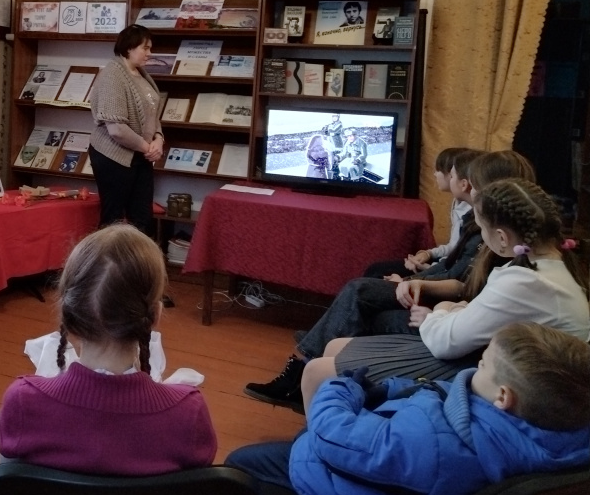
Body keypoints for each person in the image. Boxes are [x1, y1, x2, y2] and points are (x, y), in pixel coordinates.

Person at [243, 149, 531, 413]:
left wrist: (423, 294)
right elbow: (455, 273)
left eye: (475, 185)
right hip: (441, 312)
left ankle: (308, 371)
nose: (471, 190)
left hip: (441, 322)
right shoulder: (486, 232)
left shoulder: (504, 253)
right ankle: (313, 371)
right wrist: (415, 280)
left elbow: (461, 291)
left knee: (360, 293)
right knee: (366, 290)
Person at [226, 321, 590, 495]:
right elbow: (441, 395)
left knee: (239, 468)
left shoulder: (434, 444)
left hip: (347, 487)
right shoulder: (564, 431)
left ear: (504, 396)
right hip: (407, 477)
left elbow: (333, 436)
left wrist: (340, 390)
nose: (475, 369)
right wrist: (389, 389)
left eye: (483, 365)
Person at [301, 178, 590, 408]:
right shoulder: (550, 266)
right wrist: (451, 311)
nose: (482, 237)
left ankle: (320, 452)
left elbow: (445, 343)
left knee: (316, 372)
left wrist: (439, 312)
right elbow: (475, 316)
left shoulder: (525, 281)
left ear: (502, 237)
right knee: (334, 346)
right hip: (498, 364)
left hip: (506, 382)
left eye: (482, 229)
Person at [0, 224, 216, 474]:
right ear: (154, 316)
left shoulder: (23, 401)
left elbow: (4, 483)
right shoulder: (188, 413)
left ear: (67, 314)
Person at [87, 24, 163, 236]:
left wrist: (158, 139)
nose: (149, 53)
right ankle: (108, 259)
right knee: (113, 219)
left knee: (142, 218)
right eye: (145, 48)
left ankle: (138, 258)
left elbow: (152, 114)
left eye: (150, 48)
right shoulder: (112, 75)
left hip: (140, 155)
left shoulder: (141, 74)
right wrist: (148, 148)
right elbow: (117, 129)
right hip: (113, 156)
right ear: (129, 48)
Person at [363, 146, 475, 279]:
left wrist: (427, 269)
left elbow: (459, 266)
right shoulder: (458, 202)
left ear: (463, 182)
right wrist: (428, 254)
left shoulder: (471, 215)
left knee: (376, 274)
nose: (435, 174)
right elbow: (454, 246)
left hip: (444, 273)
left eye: (439, 170)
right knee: (375, 269)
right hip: (442, 266)